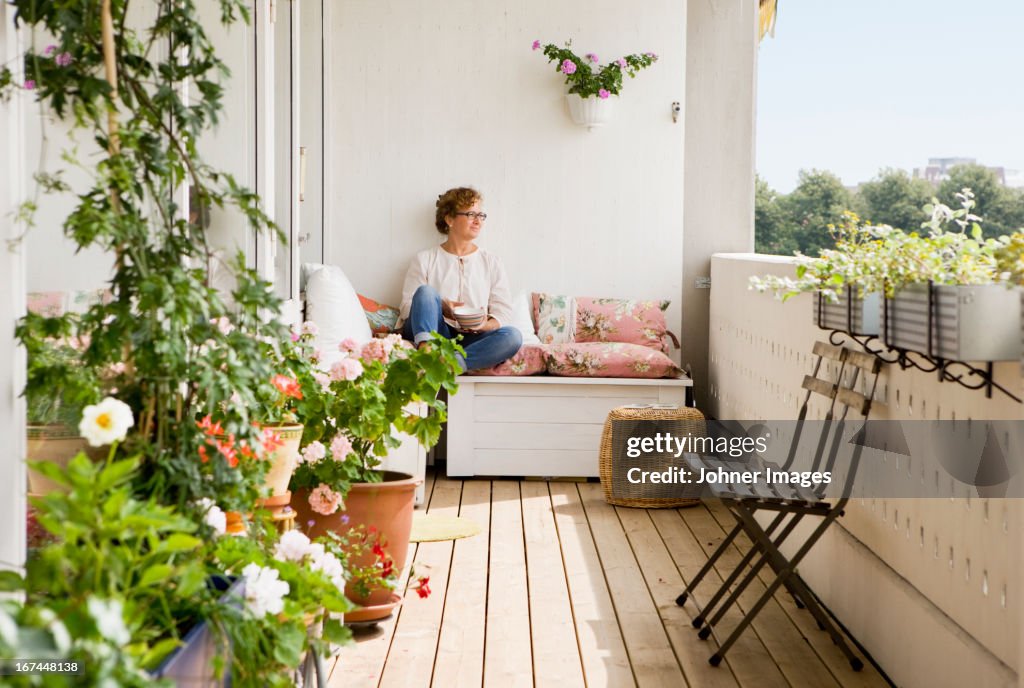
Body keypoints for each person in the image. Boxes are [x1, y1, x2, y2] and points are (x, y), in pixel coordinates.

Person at [399, 187, 523, 372]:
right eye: (471, 214)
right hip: (435, 331)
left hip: (470, 338)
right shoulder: (425, 259)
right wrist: (441, 307)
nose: (478, 221)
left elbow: (503, 312)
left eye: (481, 215)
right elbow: (407, 309)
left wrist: (484, 325)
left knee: (513, 336)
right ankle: (426, 352)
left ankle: (451, 364)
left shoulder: (492, 262)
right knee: (426, 292)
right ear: (449, 219)